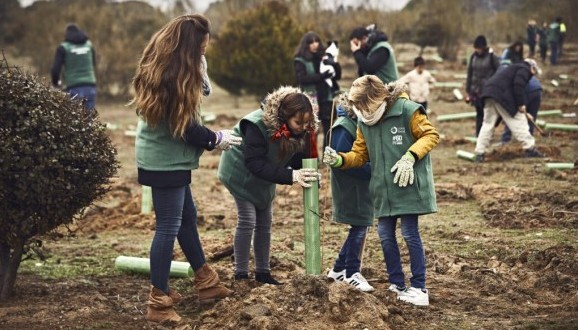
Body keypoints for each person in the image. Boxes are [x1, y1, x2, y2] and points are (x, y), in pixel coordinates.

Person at [129, 14, 241, 324]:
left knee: (186, 218)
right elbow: (188, 129)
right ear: (187, 49)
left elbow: (196, 102)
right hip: (165, 160)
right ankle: (158, 301)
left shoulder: (173, 68)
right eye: (201, 50)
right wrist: (217, 138)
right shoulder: (173, 78)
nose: (204, 54)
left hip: (166, 157)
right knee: (168, 226)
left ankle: (206, 281)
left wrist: (201, 70)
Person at [323, 75, 439, 306]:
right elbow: (360, 154)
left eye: (364, 105)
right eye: (358, 108)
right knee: (385, 235)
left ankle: (419, 288)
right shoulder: (364, 121)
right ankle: (397, 284)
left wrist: (410, 156)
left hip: (406, 184)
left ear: (377, 97)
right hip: (382, 190)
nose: (362, 111)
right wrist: (339, 160)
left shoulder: (407, 110)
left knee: (409, 233)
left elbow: (430, 135)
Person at [218, 86, 321, 285]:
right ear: (285, 115)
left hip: (266, 172)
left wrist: (309, 171)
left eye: (307, 122)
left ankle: (263, 273)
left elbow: (299, 156)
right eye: (298, 122)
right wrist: (291, 175)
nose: (302, 126)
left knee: (265, 222)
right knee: (248, 220)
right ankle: (241, 274)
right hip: (240, 172)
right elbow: (254, 163)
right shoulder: (256, 125)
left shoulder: (302, 128)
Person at [325, 94, 373, 292]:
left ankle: (338, 269)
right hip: (351, 186)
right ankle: (351, 272)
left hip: (361, 185)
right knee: (360, 224)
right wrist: (373, 169)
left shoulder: (356, 124)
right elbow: (342, 161)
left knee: (360, 225)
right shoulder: (344, 127)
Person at [474, 59, 544, 162]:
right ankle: (530, 148)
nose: (533, 75)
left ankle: (480, 153)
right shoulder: (524, 69)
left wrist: (524, 109)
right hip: (502, 96)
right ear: (532, 67)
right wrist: (521, 104)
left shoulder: (512, 68)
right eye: (534, 72)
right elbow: (518, 85)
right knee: (519, 122)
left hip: (489, 94)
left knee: (487, 124)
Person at [294, 32, 342, 148]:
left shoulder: (325, 57)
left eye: (317, 41)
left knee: (329, 129)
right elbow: (302, 79)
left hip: (327, 97)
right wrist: (321, 76)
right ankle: (311, 159)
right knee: (310, 131)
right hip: (311, 99)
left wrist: (335, 64)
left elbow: (337, 76)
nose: (315, 44)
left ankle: (328, 158)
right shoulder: (300, 60)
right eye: (311, 42)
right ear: (306, 45)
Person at [51, 23, 97, 111]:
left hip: (74, 87)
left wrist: (56, 83)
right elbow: (93, 63)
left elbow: (55, 70)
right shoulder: (89, 45)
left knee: (76, 120)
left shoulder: (63, 47)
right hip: (90, 87)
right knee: (89, 120)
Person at [465, 35, 500, 137]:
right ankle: (479, 135)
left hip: (488, 90)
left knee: (488, 114)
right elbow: (470, 73)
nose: (477, 50)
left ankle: (487, 135)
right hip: (476, 91)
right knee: (479, 113)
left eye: (479, 48)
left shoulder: (491, 57)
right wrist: (468, 89)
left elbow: (499, 71)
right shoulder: (473, 57)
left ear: (484, 47)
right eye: (476, 48)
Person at [500, 75, 542, 144]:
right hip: (537, 89)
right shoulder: (517, 73)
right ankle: (529, 137)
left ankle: (506, 138)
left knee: (512, 114)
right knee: (532, 114)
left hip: (527, 90)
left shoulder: (507, 81)